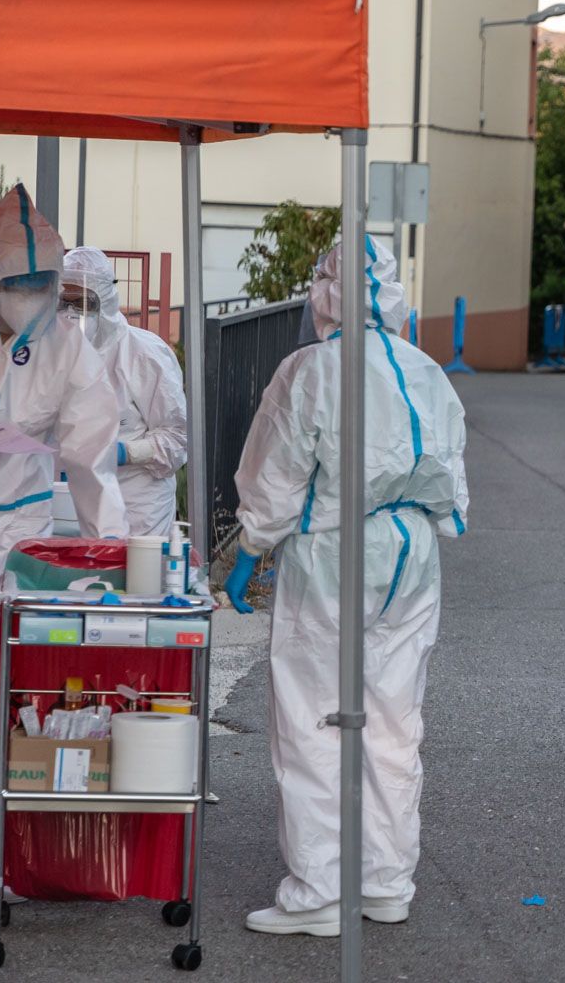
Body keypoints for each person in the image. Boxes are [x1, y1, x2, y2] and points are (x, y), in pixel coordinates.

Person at [226, 236, 468, 937]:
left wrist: (251, 548)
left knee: (312, 717)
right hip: (411, 552)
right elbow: (452, 486)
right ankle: (387, 882)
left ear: (326, 291)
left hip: (332, 554)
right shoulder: (426, 372)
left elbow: (276, 472)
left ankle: (320, 893)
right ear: (391, 292)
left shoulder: (311, 371)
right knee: (393, 719)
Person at [0, 187, 129, 791]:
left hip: (16, 538)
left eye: (44, 281)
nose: (32, 295)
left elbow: (91, 461)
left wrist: (110, 556)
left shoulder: (67, 348)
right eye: (19, 282)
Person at [59, 247, 188, 536]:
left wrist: (125, 452)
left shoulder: (144, 355)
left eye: (80, 302)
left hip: (138, 506)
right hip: (71, 500)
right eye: (63, 301)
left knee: (136, 577)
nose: (69, 312)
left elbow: (178, 438)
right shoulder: (53, 355)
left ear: (104, 301)